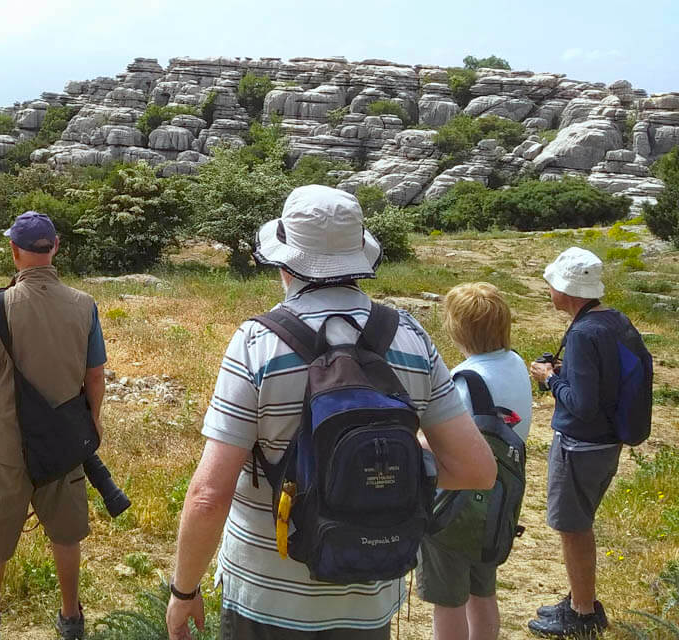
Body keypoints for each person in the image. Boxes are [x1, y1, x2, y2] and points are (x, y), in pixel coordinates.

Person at [165, 185, 496, 640]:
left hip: (267, 597)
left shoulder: (256, 344)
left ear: (285, 263)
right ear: (359, 256)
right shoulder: (411, 339)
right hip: (371, 590)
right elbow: (476, 469)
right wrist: (380, 473)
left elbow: (208, 496)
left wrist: (184, 592)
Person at [0, 211, 107, 640]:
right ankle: (71, 616)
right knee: (65, 533)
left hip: (7, 443)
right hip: (64, 443)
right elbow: (95, 376)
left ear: (14, 252)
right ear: (55, 247)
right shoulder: (84, 305)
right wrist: (92, 426)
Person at [528, 247, 646, 637]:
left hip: (580, 446)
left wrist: (549, 378)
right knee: (578, 523)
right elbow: (605, 380)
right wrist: (567, 375)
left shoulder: (582, 333)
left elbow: (580, 405)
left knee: (573, 527)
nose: (548, 289)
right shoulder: (612, 320)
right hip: (607, 442)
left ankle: (581, 614)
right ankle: (581, 598)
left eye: (552, 283)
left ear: (567, 291)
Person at [416, 282, 533, 640]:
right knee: (483, 589)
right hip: (500, 496)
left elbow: (440, 443)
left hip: (456, 503)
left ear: (456, 330)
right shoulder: (515, 364)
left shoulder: (464, 381)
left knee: (447, 598)